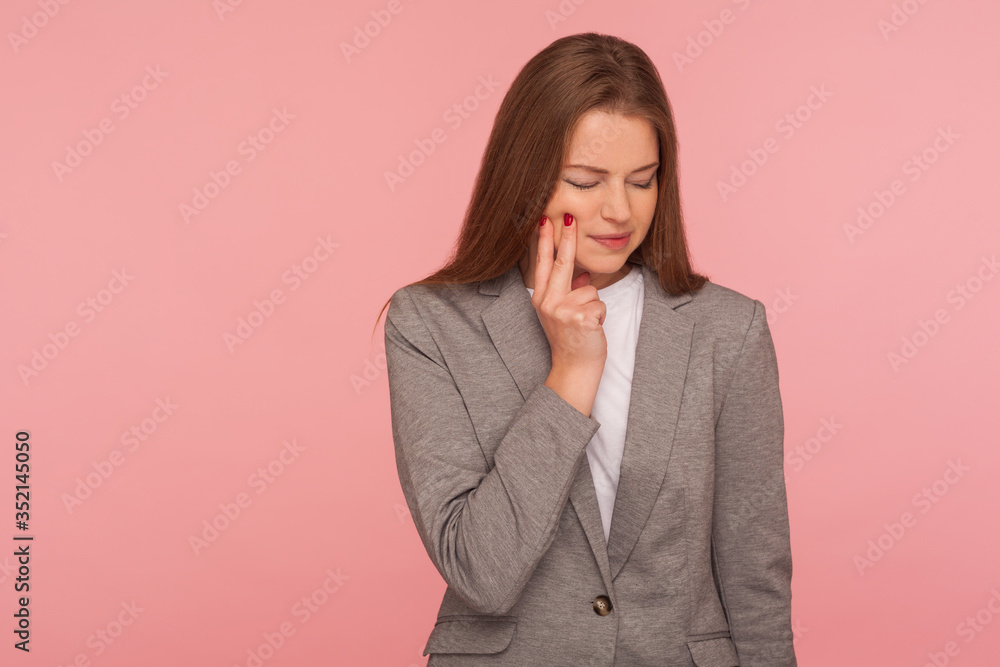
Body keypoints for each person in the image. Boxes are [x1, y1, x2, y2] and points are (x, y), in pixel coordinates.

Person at [375, 32, 795, 666]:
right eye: (585, 181)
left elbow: (754, 570)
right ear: (525, 177)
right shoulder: (431, 324)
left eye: (642, 181)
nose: (619, 210)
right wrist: (571, 372)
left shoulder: (727, 330)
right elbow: (480, 572)